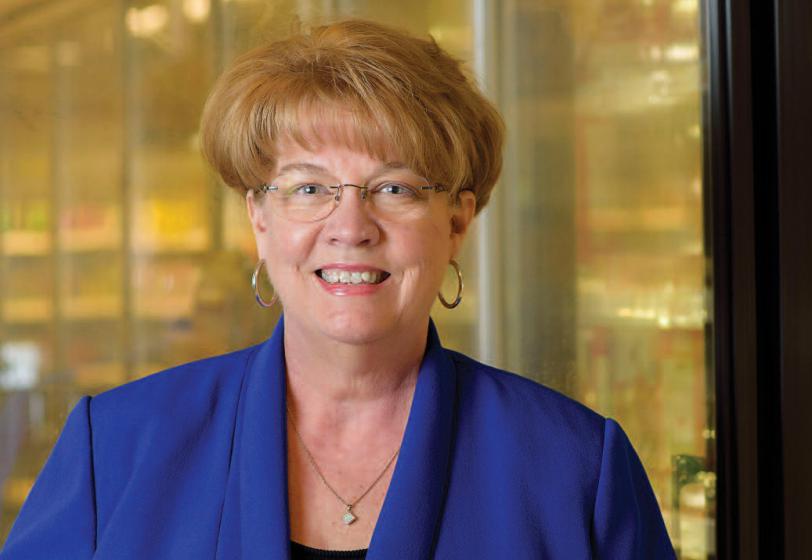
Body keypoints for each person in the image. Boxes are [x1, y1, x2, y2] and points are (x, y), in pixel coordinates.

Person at [0, 19, 675, 559]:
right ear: (259, 219)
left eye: (395, 188)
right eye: (309, 188)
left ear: (458, 221)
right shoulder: (114, 447)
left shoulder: (578, 468)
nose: (350, 228)